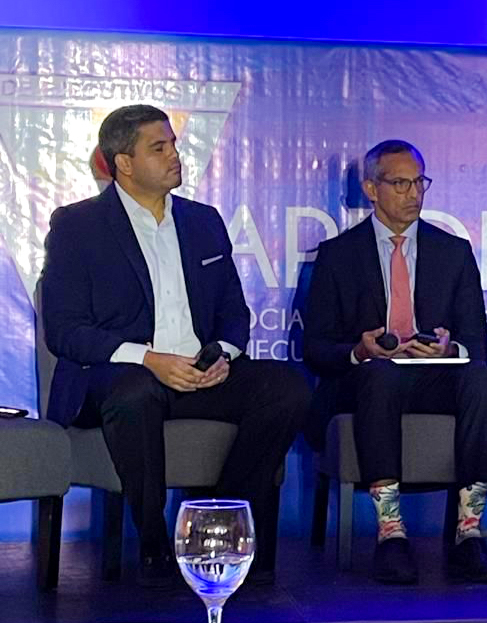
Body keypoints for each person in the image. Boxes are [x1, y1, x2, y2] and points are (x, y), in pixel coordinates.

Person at [40, 105, 310, 586]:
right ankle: (154, 544)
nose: (174, 156)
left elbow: (233, 311)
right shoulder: (78, 226)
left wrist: (221, 354)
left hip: (201, 371)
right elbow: (65, 330)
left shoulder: (203, 221)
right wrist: (149, 359)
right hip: (120, 375)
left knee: (286, 388)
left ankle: (216, 523)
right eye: (159, 147)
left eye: (174, 145)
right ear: (124, 163)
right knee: (135, 393)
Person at [304, 139, 487, 584]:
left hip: (434, 379)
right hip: (364, 382)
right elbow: (315, 347)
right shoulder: (338, 255)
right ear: (371, 189)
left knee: (483, 378)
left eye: (419, 183)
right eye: (400, 184)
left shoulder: (453, 252)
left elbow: (477, 343)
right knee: (380, 373)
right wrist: (360, 350)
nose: (413, 194)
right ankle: (391, 533)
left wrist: (449, 349)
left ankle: (468, 533)